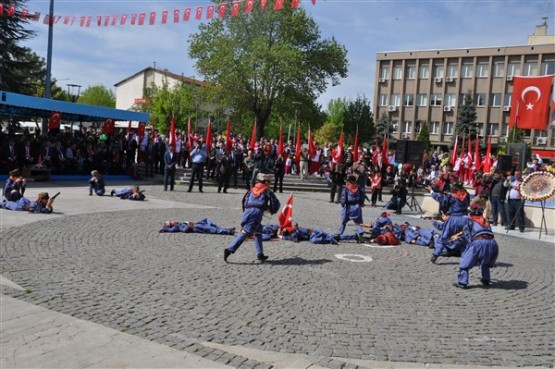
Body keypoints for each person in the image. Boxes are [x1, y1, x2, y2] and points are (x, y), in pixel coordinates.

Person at [224, 173, 280, 263]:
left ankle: (260, 254)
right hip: (256, 213)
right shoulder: (267, 191)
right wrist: (270, 209)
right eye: (269, 182)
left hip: (248, 211)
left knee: (258, 231)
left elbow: (245, 202)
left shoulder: (251, 190)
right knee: (245, 231)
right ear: (266, 182)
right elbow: (275, 203)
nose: (270, 184)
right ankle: (229, 249)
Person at [453, 199, 499, 288]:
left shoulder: (469, 222)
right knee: (485, 261)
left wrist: (459, 240)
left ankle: (462, 282)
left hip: (479, 242)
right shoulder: (486, 222)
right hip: (492, 243)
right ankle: (486, 280)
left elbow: (467, 237)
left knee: (465, 263)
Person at [427, 181, 470, 263]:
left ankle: (435, 255)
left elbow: (441, 200)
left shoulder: (451, 195)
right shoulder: (466, 194)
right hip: (465, 219)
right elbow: (468, 204)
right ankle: (467, 256)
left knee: (444, 236)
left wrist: (432, 191)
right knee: (465, 237)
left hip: (453, 218)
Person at [336, 175, 365, 243]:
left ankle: (340, 234)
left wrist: (342, 204)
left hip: (349, 207)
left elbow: (343, 197)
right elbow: (362, 196)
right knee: (358, 223)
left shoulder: (347, 188)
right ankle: (361, 233)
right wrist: (361, 203)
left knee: (344, 221)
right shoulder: (358, 187)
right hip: (357, 207)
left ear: (349, 181)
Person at [159, 219, 235, 235]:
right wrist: (189, 226)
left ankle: (224, 229)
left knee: (207, 220)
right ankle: (227, 231)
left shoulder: (179, 222)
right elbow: (185, 230)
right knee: (210, 229)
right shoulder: (177, 226)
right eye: (171, 222)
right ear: (171, 224)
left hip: (197, 224)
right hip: (195, 227)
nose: (173, 220)